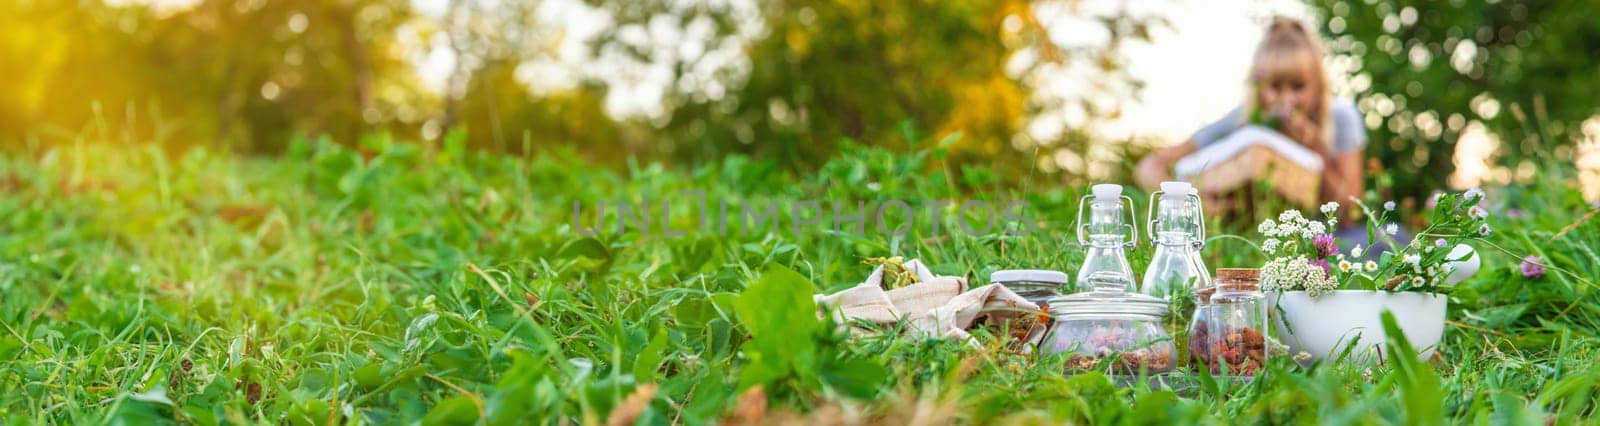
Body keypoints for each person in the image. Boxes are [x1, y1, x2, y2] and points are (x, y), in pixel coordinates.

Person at [1136, 16, 1366, 218]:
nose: (1287, 100)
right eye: (1275, 86)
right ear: (1258, 86)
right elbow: (1149, 166)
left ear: (1318, 84)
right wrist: (1195, 203)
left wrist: (1315, 147)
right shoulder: (1243, 120)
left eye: (1298, 86)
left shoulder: (1341, 117)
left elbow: (1350, 211)